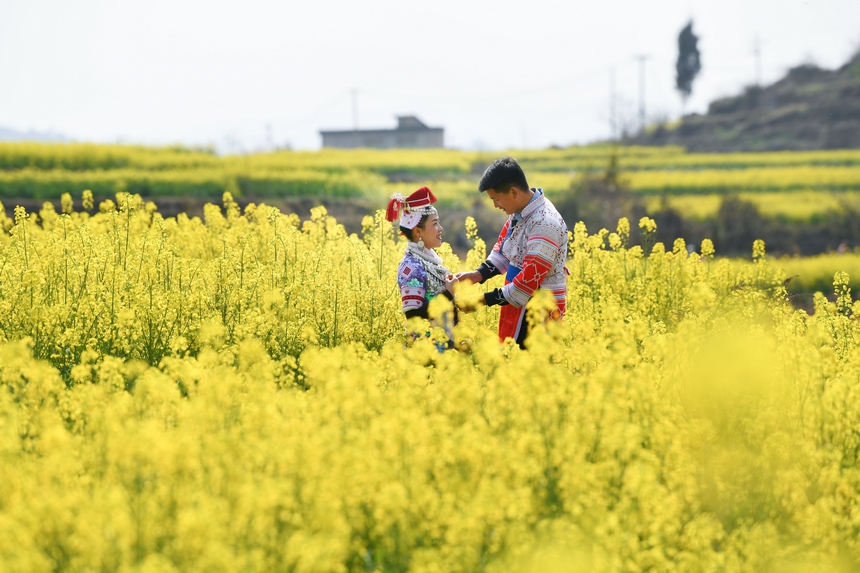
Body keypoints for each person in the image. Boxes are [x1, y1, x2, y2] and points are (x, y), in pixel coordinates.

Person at [455, 156, 568, 347]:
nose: (495, 206)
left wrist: (481, 300)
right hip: (518, 303)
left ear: (513, 192)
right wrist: (476, 275)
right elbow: (503, 251)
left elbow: (526, 284)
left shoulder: (545, 223)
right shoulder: (520, 213)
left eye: (496, 199)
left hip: (539, 313)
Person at [386, 186, 458, 344]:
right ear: (418, 232)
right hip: (424, 353)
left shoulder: (430, 261)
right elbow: (414, 317)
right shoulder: (411, 267)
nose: (440, 229)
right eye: (435, 224)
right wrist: (448, 294)